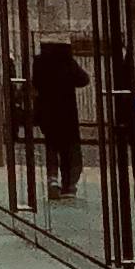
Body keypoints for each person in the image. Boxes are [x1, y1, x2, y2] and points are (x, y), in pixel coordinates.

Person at [30, 36, 88, 196]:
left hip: (48, 110)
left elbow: (35, 83)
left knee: (52, 145)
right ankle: (69, 183)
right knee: (69, 148)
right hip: (67, 111)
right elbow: (84, 79)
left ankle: (52, 178)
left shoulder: (40, 61)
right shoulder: (67, 61)